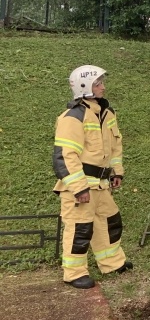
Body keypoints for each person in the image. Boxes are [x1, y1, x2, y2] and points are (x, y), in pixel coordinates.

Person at [52, 65, 133, 289]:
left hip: (101, 185)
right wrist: (79, 188)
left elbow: (115, 147)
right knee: (79, 229)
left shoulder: (107, 114)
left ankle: (112, 263)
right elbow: (65, 156)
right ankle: (74, 273)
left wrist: (117, 172)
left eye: (101, 82)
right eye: (98, 83)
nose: (103, 87)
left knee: (110, 221)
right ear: (84, 87)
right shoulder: (72, 117)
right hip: (80, 187)